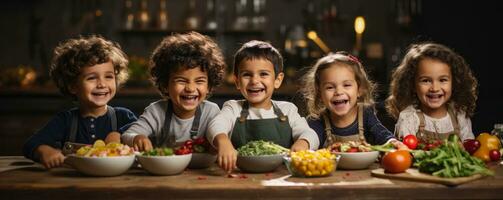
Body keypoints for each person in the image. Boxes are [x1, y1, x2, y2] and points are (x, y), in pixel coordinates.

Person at [23, 35, 137, 169]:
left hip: (117, 183)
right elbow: (30, 144)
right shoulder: (65, 121)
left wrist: (121, 135)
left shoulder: (123, 117)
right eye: (92, 78)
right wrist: (44, 151)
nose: (102, 84)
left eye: (108, 76)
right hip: (73, 184)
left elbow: (144, 137)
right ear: (72, 86)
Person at [207, 40, 319, 172]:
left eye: (264, 74)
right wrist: (223, 142)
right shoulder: (233, 108)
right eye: (247, 75)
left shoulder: (287, 110)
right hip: (241, 176)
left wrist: (303, 143)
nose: (254, 81)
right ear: (237, 81)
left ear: (277, 80)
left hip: (280, 176)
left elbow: (310, 134)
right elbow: (215, 125)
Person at [121, 32, 226, 151]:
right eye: (181, 80)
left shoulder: (211, 112)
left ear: (209, 85)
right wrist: (137, 138)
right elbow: (127, 135)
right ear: (165, 84)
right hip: (164, 169)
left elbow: (222, 137)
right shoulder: (155, 112)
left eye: (199, 81)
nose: (190, 88)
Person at [300, 52, 405, 148]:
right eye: (330, 87)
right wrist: (304, 143)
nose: (339, 92)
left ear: (359, 89)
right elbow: (310, 138)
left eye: (346, 85)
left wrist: (392, 142)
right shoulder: (318, 120)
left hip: (364, 168)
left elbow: (381, 133)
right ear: (319, 94)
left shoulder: (365, 114)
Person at [386, 42, 477, 143]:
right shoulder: (409, 118)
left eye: (442, 80)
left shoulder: (459, 115)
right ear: (412, 84)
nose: (435, 88)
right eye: (426, 80)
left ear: (454, 82)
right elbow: (404, 154)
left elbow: (469, 149)